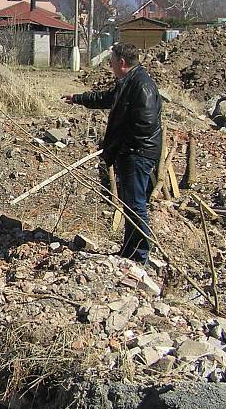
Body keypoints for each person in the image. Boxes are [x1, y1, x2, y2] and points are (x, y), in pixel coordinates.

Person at [63, 42, 162, 263]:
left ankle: (140, 255)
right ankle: (128, 251)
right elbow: (106, 99)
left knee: (136, 204)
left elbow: (145, 124)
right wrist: (78, 98)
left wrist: (123, 147)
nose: (110, 65)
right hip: (132, 153)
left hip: (137, 154)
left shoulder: (141, 85)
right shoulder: (128, 82)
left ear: (121, 62)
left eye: (111, 61)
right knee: (130, 204)